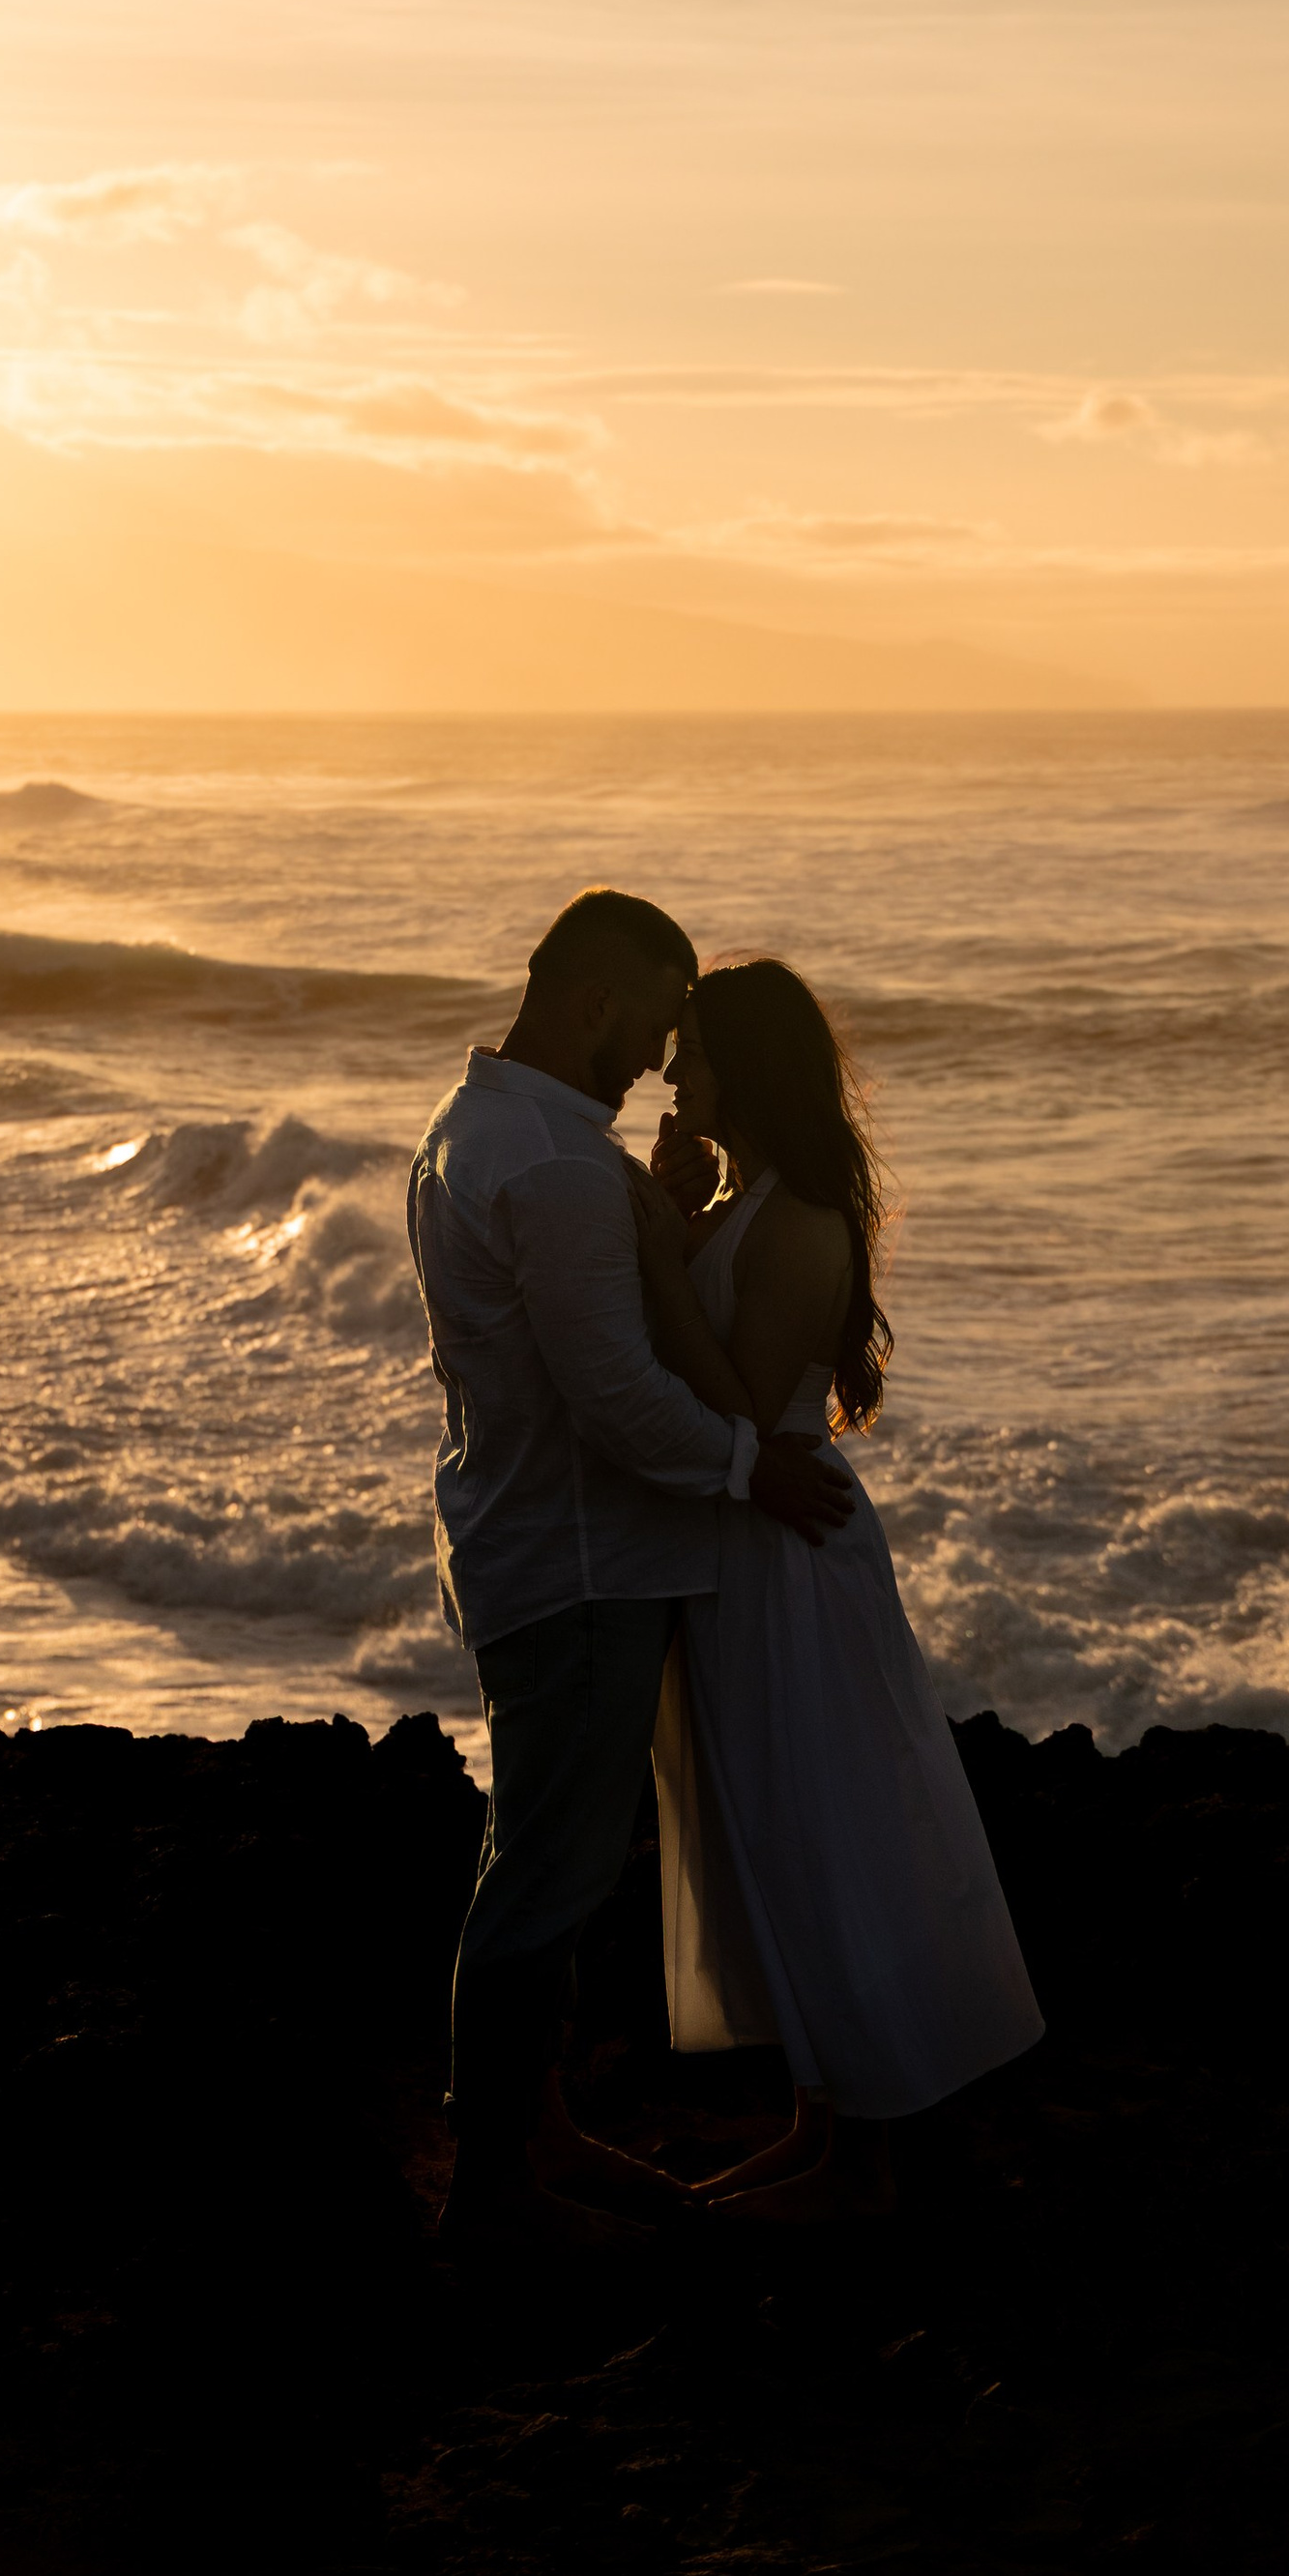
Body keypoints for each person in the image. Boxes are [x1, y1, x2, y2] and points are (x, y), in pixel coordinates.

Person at [408, 889, 855, 2255]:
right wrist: (747, 1467)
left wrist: (654, 1224)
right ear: (593, 1000)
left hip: (517, 1537)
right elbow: (611, 1390)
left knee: (538, 1850)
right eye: (659, 1021)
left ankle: (527, 2128)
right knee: (550, 1870)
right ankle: (497, 2179)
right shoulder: (549, 1162)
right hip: (581, 1561)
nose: (668, 1059)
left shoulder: (474, 1127)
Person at [626, 956, 1043, 2222]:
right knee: (773, 1825)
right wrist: (668, 1216)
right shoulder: (745, 1202)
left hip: (787, 1555)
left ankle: (864, 2149)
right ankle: (824, 2119)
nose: (671, 1072)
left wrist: (654, 1240)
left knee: (824, 1822)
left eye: (691, 1052)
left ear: (741, 1069)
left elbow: (732, 1405)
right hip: (744, 1540)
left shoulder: (798, 1218)